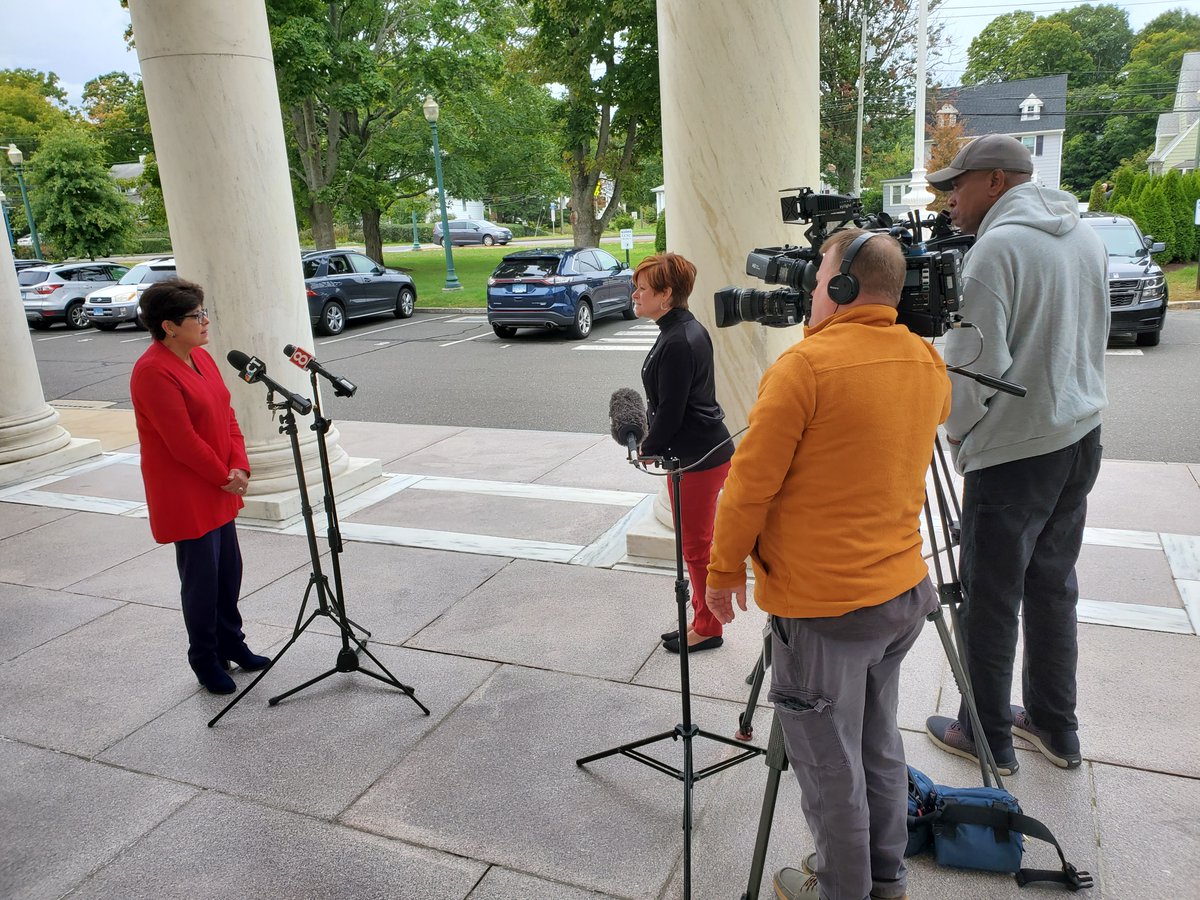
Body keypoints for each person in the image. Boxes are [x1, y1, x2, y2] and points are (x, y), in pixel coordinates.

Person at [705, 229, 950, 900]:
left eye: (817, 281)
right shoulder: (927, 361)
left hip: (824, 612)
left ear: (841, 289)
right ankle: (884, 878)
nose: (809, 293)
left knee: (827, 767)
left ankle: (843, 890)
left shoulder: (805, 368)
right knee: (876, 747)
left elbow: (748, 487)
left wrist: (723, 570)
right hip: (902, 597)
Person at [922, 134, 1108, 775]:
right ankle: (1057, 728)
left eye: (957, 185)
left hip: (1017, 453)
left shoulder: (995, 249)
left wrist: (957, 435)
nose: (949, 199)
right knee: (1053, 587)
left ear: (996, 181)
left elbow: (973, 371)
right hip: (1080, 435)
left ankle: (986, 735)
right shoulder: (1082, 235)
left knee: (990, 598)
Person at [130, 279, 269, 695]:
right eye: (197, 315)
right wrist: (226, 476)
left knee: (229, 573)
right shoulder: (153, 371)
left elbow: (226, 414)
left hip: (218, 484)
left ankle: (232, 643)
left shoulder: (201, 358)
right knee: (202, 581)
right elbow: (182, 441)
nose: (206, 321)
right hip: (186, 491)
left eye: (204, 312)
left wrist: (240, 463)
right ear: (169, 326)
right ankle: (205, 658)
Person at [634, 252, 733, 654]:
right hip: (700, 450)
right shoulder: (681, 328)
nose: (635, 295)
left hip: (697, 456)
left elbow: (673, 409)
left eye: (642, 289)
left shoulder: (679, 338)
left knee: (695, 546)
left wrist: (650, 446)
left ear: (666, 294)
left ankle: (707, 626)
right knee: (695, 543)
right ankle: (700, 619)